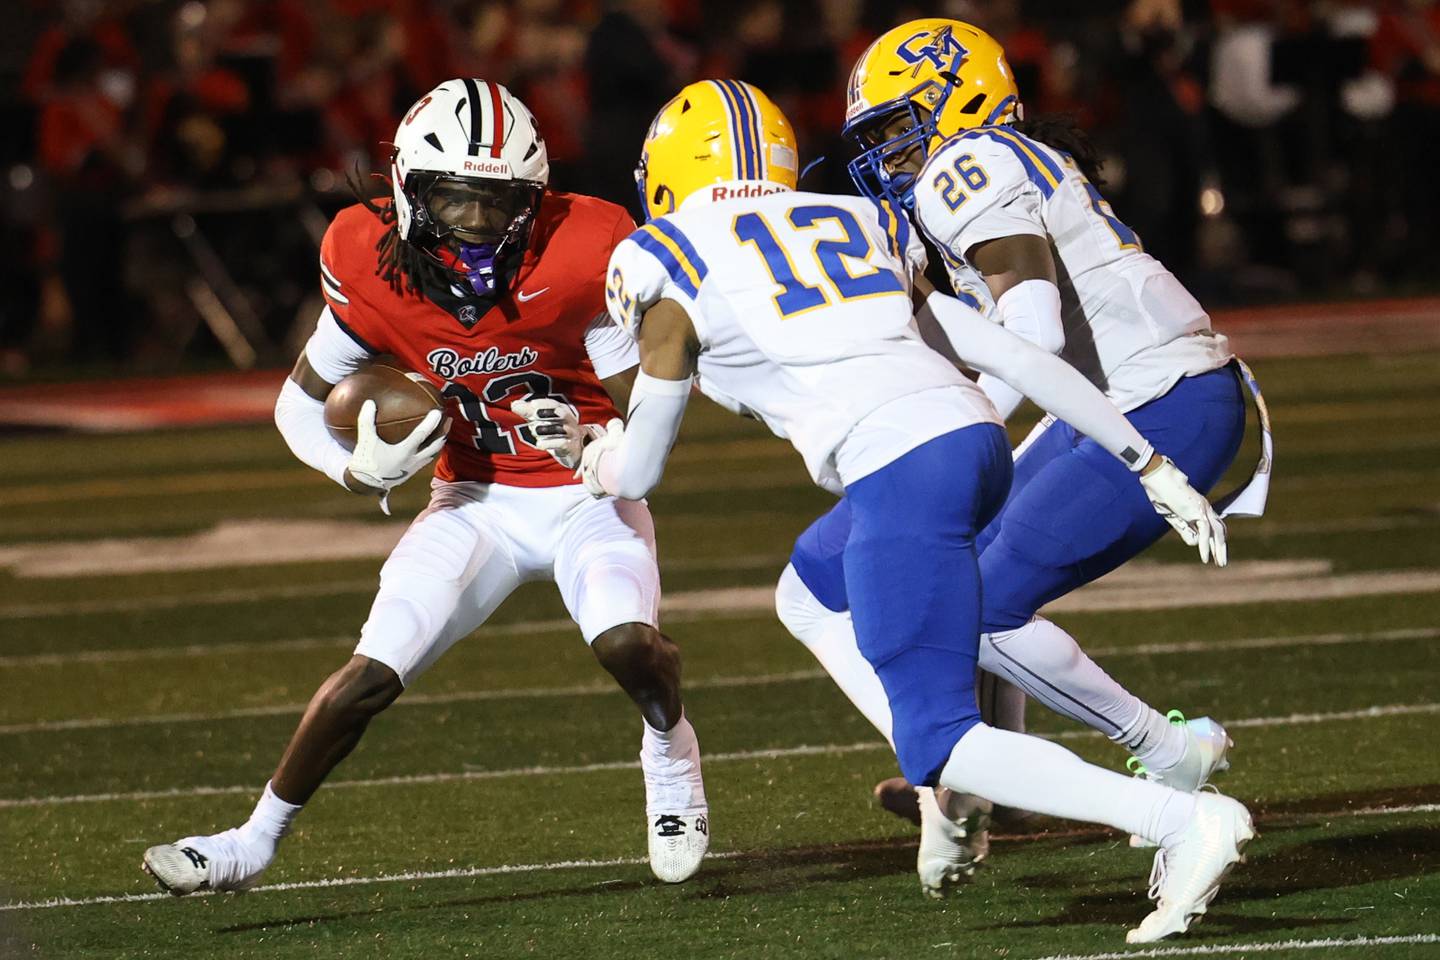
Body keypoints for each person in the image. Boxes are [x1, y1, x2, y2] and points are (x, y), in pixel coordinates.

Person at [521, 76, 1252, 945]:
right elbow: (1007, 352)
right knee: (808, 588)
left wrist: (588, 454)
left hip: (903, 467)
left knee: (945, 736)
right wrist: (1146, 460)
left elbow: (637, 467)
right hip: (973, 440)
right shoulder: (859, 221)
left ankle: (1177, 816)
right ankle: (954, 782)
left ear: (667, 176)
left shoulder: (661, 257)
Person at [141, 79, 709, 895]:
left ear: (534, 199)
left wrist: (597, 438)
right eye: (455, 200)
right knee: (370, 673)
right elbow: (298, 403)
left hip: (585, 493)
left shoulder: (584, 246)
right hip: (472, 498)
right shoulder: (365, 261)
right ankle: (252, 841)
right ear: (408, 187)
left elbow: (640, 406)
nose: (477, 225)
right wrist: (351, 466)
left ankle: (670, 750)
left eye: (498, 203)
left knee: (628, 645)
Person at [774, 16, 1273, 868]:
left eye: (900, 127)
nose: (890, 154)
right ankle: (985, 780)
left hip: (1164, 401)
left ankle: (1166, 751)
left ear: (960, 101)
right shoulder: (998, 164)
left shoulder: (968, 168)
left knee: (987, 605)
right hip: (1131, 395)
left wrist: (942, 427)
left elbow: (1031, 331)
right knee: (957, 576)